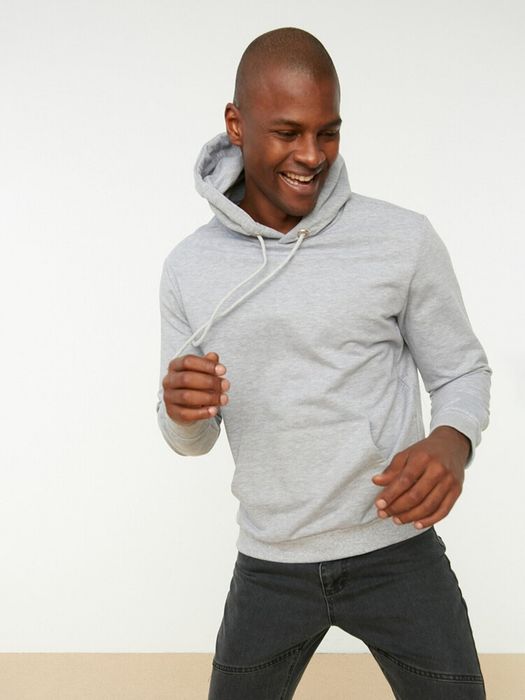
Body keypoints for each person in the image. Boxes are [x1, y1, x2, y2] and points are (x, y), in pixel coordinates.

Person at [157, 27, 491, 700]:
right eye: (287, 132)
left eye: (327, 132)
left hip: (396, 551)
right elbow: (191, 440)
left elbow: (461, 370)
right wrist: (180, 412)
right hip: (270, 563)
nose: (311, 155)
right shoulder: (190, 267)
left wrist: (452, 441)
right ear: (236, 124)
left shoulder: (400, 239)